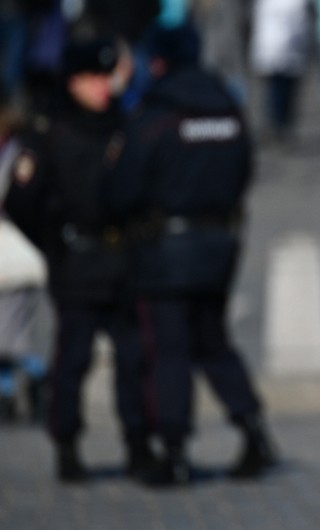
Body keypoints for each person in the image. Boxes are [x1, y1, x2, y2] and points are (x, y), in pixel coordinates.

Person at [102, 24, 277, 486]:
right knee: (213, 341)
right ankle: (254, 431)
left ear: (159, 62)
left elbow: (122, 189)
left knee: (168, 351)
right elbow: (244, 172)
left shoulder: (156, 113)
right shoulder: (228, 109)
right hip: (219, 244)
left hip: (163, 252)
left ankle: (174, 451)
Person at [2, 34, 156, 482]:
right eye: (92, 78)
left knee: (134, 359)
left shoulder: (125, 124)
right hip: (75, 262)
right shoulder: (50, 132)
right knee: (72, 360)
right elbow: (21, 200)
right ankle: (67, 446)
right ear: (72, 82)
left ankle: (138, 443)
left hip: (122, 259)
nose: (102, 87)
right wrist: (54, 241)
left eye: (105, 77)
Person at [0, 88, 48, 423]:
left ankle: (38, 377)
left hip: (14, 255)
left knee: (8, 334)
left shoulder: (20, 154)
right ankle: (14, 391)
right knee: (9, 333)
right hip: (12, 252)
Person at [249, 0, 313, 144]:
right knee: (274, 92)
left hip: (290, 50)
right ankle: (276, 127)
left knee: (286, 93)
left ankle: (282, 127)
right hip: (273, 50)